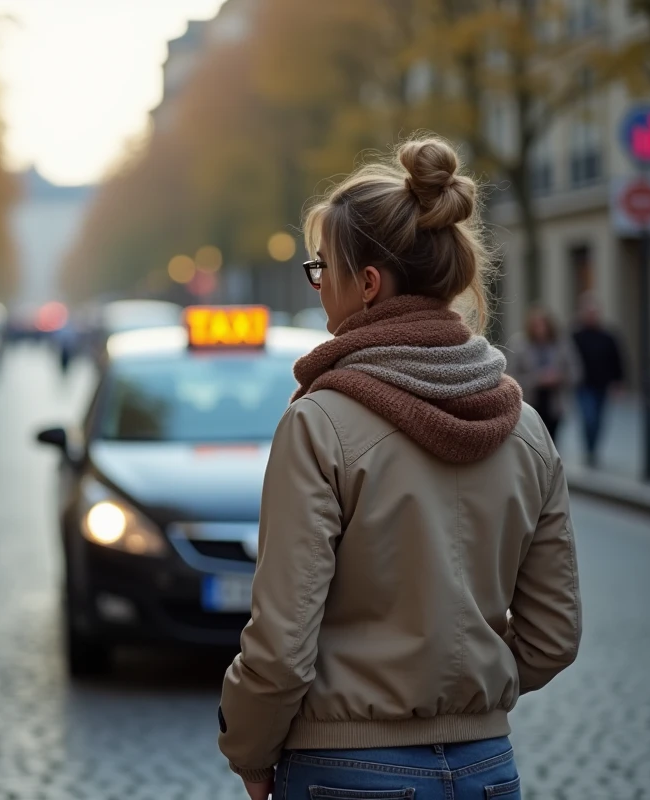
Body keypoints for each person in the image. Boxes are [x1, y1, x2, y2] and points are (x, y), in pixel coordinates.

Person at [218, 137, 581, 800]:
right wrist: (469, 694)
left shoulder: (320, 423)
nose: (318, 286)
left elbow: (281, 647)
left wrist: (248, 748)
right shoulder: (526, 428)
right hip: (486, 770)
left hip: (346, 769)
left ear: (368, 284)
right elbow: (554, 635)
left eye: (322, 268)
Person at [508, 307, 577, 441]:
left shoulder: (562, 344)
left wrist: (559, 377)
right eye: (536, 325)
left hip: (555, 404)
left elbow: (575, 372)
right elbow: (510, 376)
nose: (540, 329)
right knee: (533, 440)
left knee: (551, 440)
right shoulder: (520, 344)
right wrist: (537, 379)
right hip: (530, 402)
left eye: (543, 324)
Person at [571, 294, 624, 467]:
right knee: (589, 418)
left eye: (594, 312)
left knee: (599, 420)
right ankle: (589, 449)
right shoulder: (576, 335)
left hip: (602, 385)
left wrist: (618, 382)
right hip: (583, 385)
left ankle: (592, 450)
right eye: (588, 312)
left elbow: (617, 359)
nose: (591, 315)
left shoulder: (608, 336)